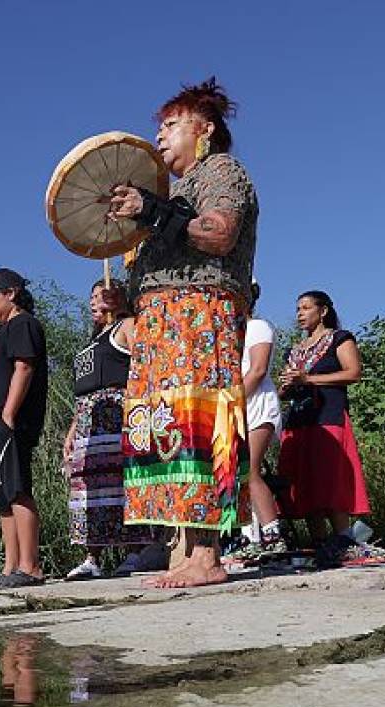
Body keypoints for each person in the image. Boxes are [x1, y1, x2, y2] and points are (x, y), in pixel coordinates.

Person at [106, 77, 257, 589]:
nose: (161, 135)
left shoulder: (221, 170)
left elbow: (218, 234)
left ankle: (208, 554)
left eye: (172, 125)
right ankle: (180, 550)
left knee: (200, 419)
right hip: (158, 326)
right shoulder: (173, 192)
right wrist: (121, 303)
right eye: (160, 127)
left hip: (199, 314)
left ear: (205, 129)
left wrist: (150, 210)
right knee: (161, 427)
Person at [61, 280, 158, 580]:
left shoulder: (127, 326)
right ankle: (92, 556)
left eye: (100, 295)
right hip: (88, 418)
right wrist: (72, 432)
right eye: (90, 296)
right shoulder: (92, 341)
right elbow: (84, 389)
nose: (93, 302)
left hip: (118, 413)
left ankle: (135, 550)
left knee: (123, 481)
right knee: (89, 487)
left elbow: (146, 366)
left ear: (116, 297)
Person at [0, 268, 50, 589]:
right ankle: (10, 566)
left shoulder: (23, 323)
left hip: (8, 423)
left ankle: (30, 566)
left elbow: (24, 366)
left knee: (17, 490)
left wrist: (8, 415)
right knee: (0, 496)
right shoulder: (2, 331)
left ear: (10, 293)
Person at [276, 290, 371, 545]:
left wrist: (308, 379)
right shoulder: (294, 351)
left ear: (323, 311)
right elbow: (290, 388)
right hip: (299, 419)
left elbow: (353, 373)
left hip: (328, 416)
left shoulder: (339, 338)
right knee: (303, 480)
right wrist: (285, 387)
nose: (300, 314)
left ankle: (343, 538)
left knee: (330, 477)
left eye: (306, 308)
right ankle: (318, 543)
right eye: (298, 309)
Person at [225, 279, 285, 561]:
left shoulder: (258, 326)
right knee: (238, 475)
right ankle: (251, 535)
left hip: (256, 404)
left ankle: (274, 535)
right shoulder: (228, 333)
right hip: (236, 408)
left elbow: (258, 369)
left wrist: (232, 401)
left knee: (252, 470)